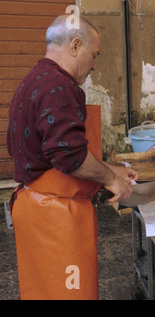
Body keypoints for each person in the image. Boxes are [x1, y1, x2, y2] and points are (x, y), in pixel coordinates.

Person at [7, 15, 138, 300]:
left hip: (36, 209)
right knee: (71, 292)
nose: (93, 64)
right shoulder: (60, 89)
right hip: (57, 218)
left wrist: (110, 169)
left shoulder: (33, 80)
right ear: (76, 45)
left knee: (44, 292)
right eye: (94, 55)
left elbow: (52, 149)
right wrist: (112, 181)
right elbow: (70, 157)